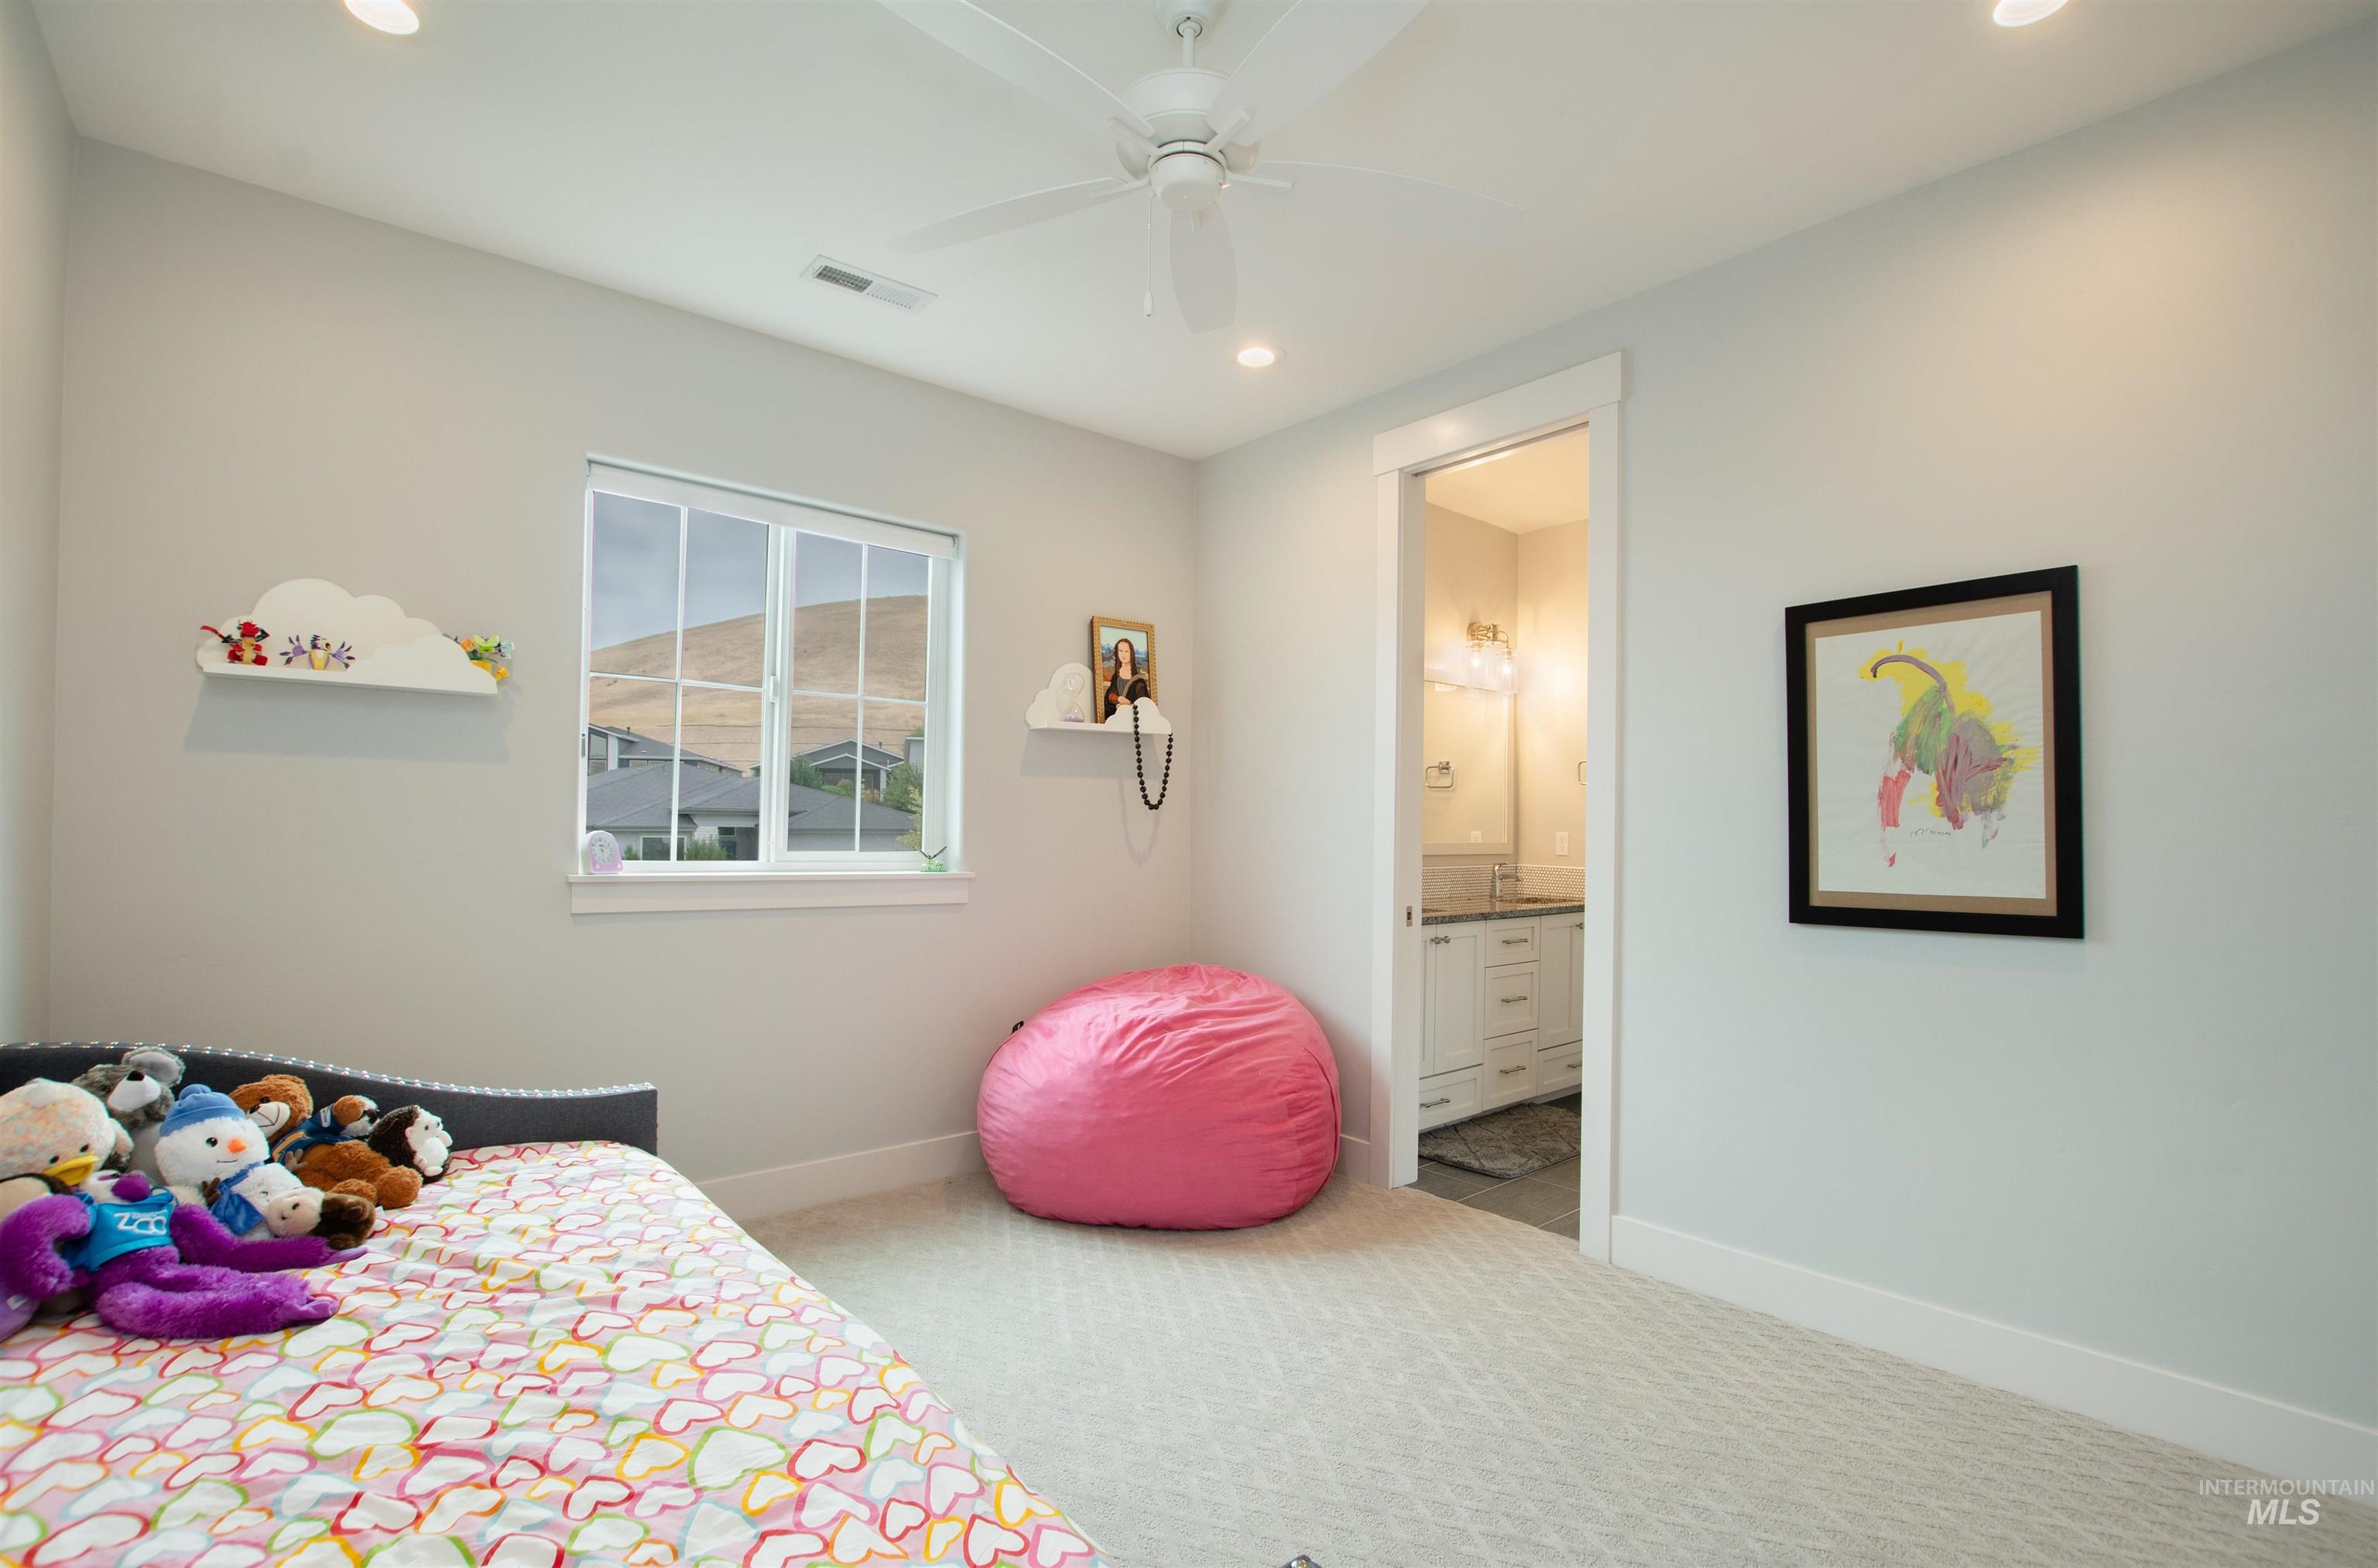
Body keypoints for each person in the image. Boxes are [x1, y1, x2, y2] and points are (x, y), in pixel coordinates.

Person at [1102, 637, 1147, 721]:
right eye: (1120, 651)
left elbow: (1143, 705)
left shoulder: (1139, 681)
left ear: (1131, 653)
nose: (1123, 655)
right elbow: (1110, 696)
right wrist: (1118, 699)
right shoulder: (1116, 676)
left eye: (1126, 651)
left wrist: (1127, 707)